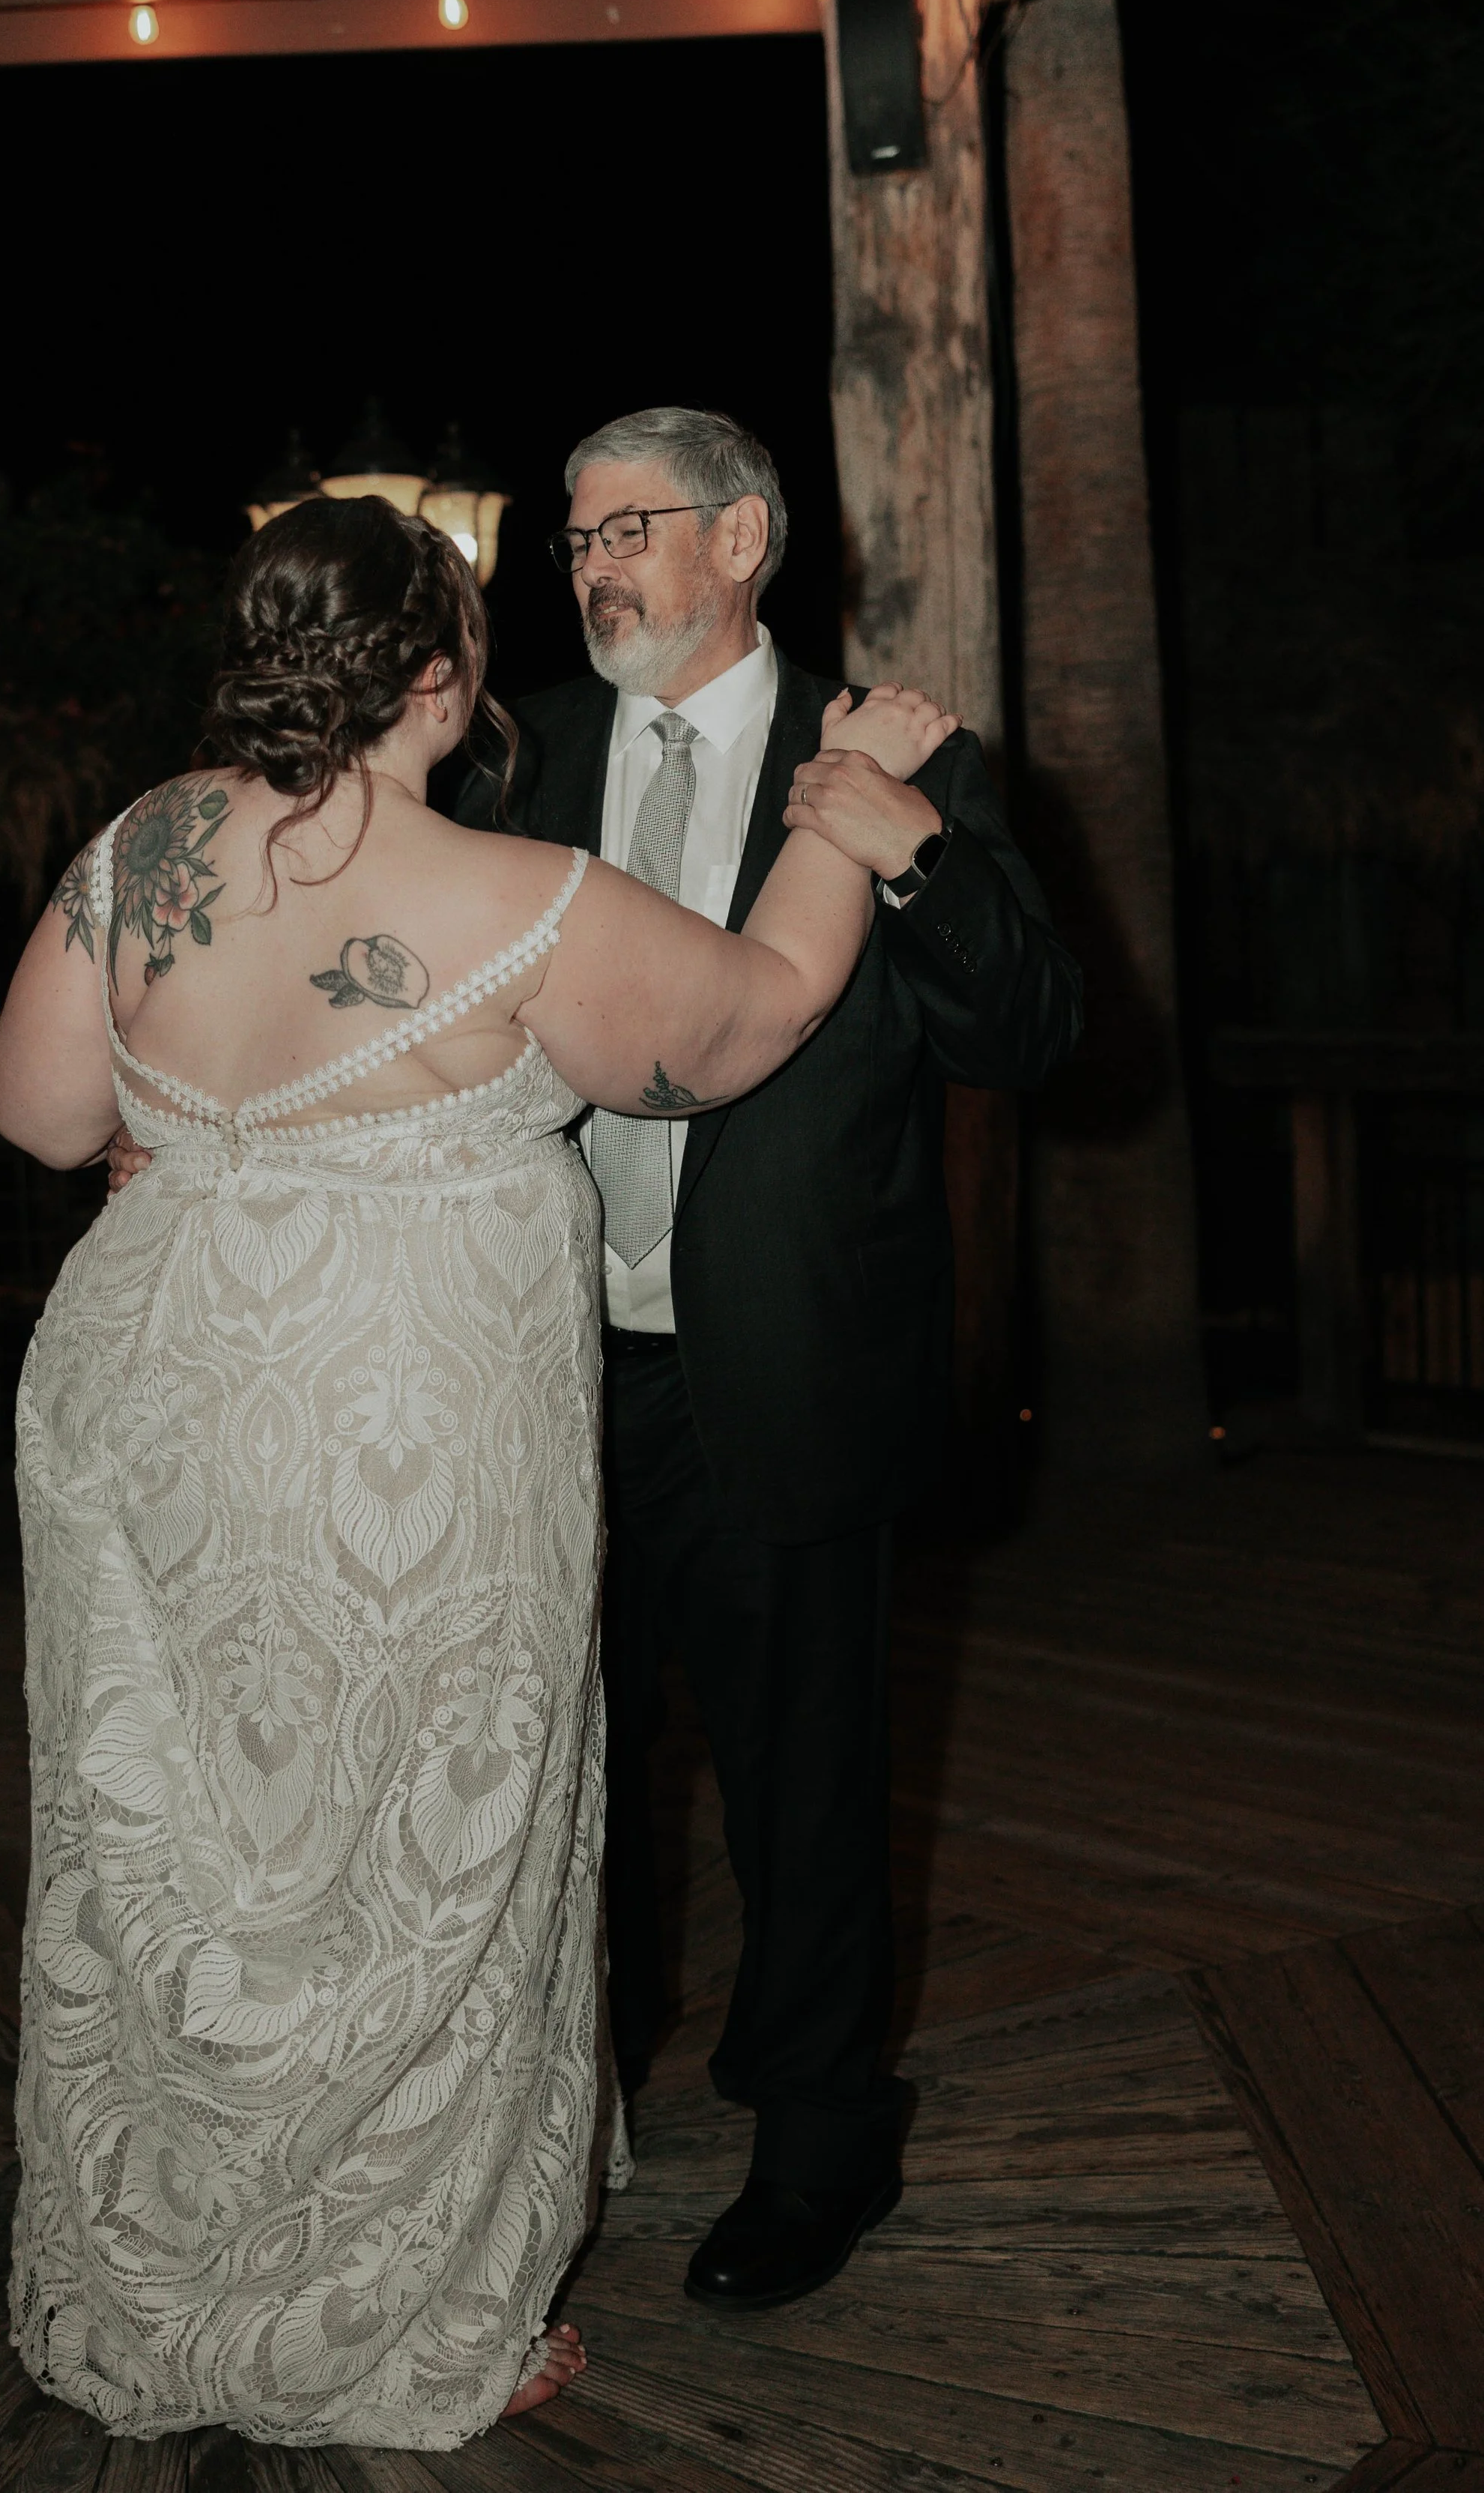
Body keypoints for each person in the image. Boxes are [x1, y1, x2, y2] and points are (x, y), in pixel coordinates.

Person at [0, 493, 921, 2450]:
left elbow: (41, 1107)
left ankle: (177, 2245)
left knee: (181, 1832)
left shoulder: (144, 845)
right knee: (421, 1843)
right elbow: (748, 1020)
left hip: (155, 1402)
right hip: (399, 1423)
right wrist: (841, 817)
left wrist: (206, 1134)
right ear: (439, 668)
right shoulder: (518, 892)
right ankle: (407, 2310)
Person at [446, 408, 1085, 2312]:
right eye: (567, 543)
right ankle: (580, 2087)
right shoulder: (514, 761)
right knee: (574, 1761)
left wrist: (905, 856)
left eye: (621, 530)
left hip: (793, 1356)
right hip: (543, 1372)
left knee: (804, 1775)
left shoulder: (896, 752)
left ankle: (817, 2141)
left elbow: (1037, 1033)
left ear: (740, 540)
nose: (585, 569)